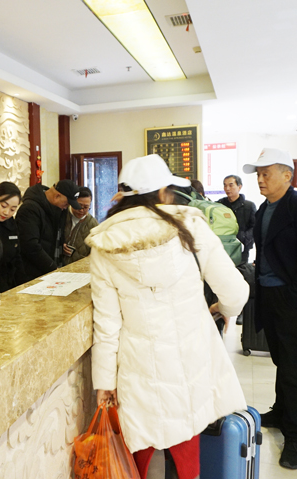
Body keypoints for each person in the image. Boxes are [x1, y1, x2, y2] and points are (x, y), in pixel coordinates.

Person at [88, 154, 249, 479]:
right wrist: (223, 310)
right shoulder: (190, 226)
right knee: (185, 446)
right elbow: (235, 292)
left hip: (138, 367)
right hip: (189, 360)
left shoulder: (104, 244)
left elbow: (106, 325)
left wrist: (104, 382)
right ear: (163, 192)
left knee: (140, 453)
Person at [244, 148, 297, 469]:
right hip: (269, 295)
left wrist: (294, 299)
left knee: (294, 369)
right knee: (281, 360)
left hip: (291, 298)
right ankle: (281, 412)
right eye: (258, 174)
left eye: (266, 173)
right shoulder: (266, 207)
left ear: (287, 175)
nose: (260, 179)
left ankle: (295, 438)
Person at [15, 179, 81, 281]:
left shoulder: (59, 209)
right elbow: (30, 245)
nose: (65, 208)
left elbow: (56, 234)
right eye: (66, 204)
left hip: (52, 270)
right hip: (32, 274)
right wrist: (52, 267)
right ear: (57, 196)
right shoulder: (30, 209)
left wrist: (61, 244)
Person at [218, 174, 257, 264]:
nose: (227, 188)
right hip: (224, 246)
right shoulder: (220, 205)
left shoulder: (249, 206)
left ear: (239, 187)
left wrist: (244, 238)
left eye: (231, 185)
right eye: (225, 185)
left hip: (242, 247)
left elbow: (255, 226)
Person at [63, 186, 99, 265]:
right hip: (55, 265)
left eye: (86, 207)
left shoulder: (93, 224)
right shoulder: (62, 214)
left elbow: (96, 251)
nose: (81, 210)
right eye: (78, 206)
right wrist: (60, 245)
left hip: (78, 267)